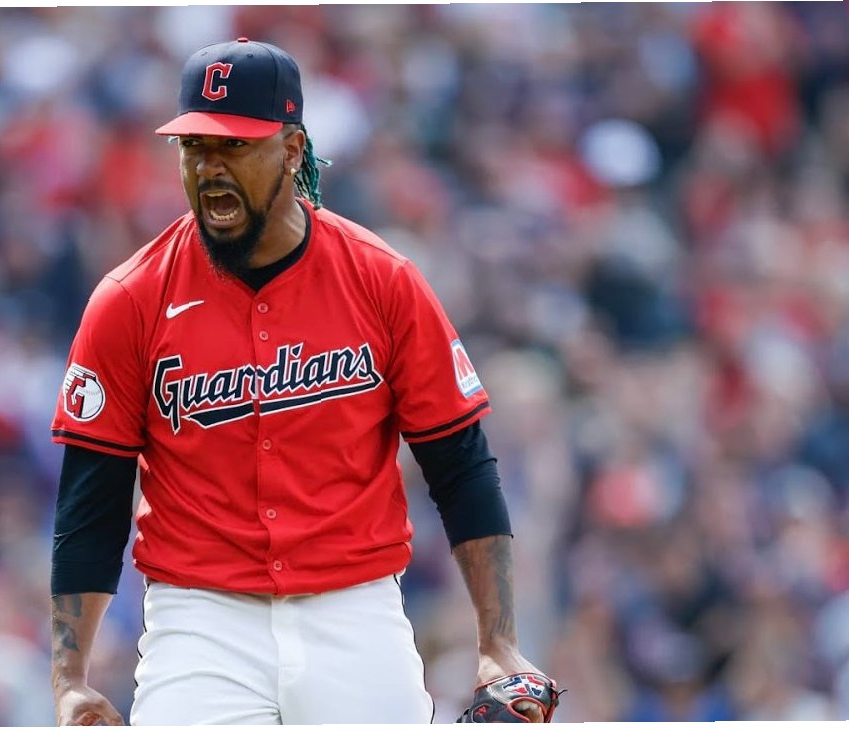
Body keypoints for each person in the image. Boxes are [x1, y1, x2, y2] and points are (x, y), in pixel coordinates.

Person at [50, 37, 552, 725]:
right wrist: (69, 679)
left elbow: (460, 464)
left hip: (356, 612)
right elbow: (91, 501)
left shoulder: (382, 281)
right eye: (194, 147)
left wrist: (499, 644)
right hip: (202, 622)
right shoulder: (130, 299)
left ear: (291, 150)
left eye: (234, 147)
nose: (210, 168)